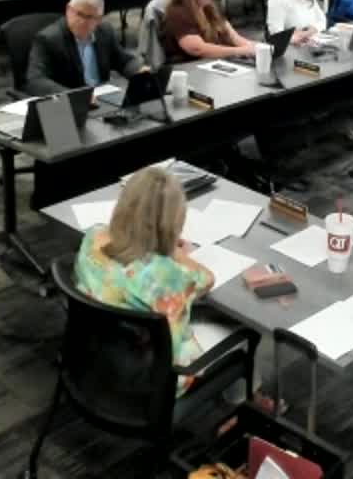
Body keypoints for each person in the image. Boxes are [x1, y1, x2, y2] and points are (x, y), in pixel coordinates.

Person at [73, 167, 243, 398]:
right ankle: (237, 405)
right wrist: (173, 251)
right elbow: (207, 278)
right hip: (151, 376)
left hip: (98, 354)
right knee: (241, 330)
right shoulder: (166, 276)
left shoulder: (93, 236)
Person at [25, 0, 148, 96]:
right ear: (68, 10)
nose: (82, 21)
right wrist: (74, 95)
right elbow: (35, 80)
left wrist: (140, 71)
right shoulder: (48, 39)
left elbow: (124, 61)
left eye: (89, 17)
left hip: (102, 97)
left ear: (99, 19)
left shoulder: (105, 31)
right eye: (79, 14)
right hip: (71, 102)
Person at [159, 0, 256, 62]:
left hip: (210, 60)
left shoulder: (208, 6)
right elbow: (198, 49)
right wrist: (239, 51)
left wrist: (253, 47)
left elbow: (232, 36)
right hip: (189, 64)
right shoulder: (178, 13)